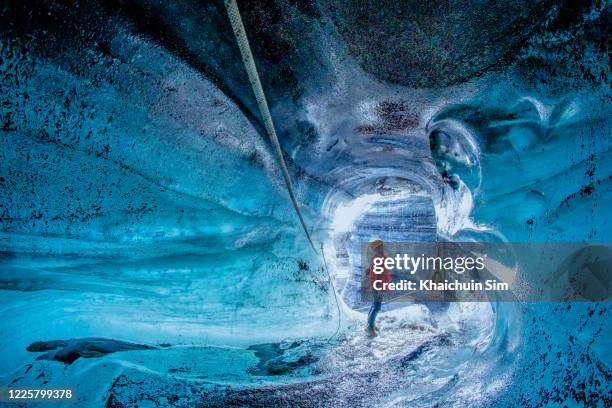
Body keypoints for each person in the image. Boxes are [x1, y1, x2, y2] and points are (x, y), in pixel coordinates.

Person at [365, 240, 390, 336]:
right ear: (379, 247)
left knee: (374, 305)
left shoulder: (377, 257)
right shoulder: (378, 257)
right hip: (378, 285)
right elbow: (375, 273)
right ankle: (370, 328)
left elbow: (372, 270)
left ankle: (370, 325)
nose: (384, 247)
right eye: (382, 246)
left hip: (378, 284)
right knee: (377, 306)